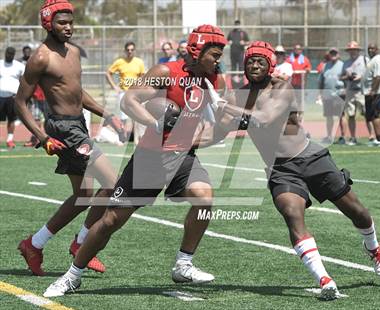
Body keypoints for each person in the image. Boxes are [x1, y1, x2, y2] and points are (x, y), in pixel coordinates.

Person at [43, 24, 228, 297]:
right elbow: (129, 101)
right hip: (151, 158)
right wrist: (155, 123)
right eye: (214, 53)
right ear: (196, 51)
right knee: (110, 221)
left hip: (182, 156)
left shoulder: (215, 80)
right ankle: (72, 275)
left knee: (204, 196)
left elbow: (220, 128)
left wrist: (218, 122)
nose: (218, 60)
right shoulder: (166, 72)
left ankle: (183, 263)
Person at [204, 41, 380, 301]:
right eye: (250, 61)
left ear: (270, 65)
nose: (254, 65)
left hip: (311, 157)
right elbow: (218, 132)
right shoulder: (238, 96)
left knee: (356, 211)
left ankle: (373, 247)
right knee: (292, 214)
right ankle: (325, 280)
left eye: (260, 61)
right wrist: (178, 142)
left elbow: (265, 117)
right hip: (281, 169)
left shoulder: (281, 87)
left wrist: (223, 105)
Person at [15, 0, 123, 276]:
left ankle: (34, 244)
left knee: (84, 195)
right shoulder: (40, 57)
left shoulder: (74, 52)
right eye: (62, 23)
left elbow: (75, 92)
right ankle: (82, 243)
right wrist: (41, 136)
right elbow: (20, 102)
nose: (68, 27)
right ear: (48, 24)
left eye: (71, 22)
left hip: (79, 125)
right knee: (112, 183)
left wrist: (105, 113)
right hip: (63, 130)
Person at [106, 41, 146, 142]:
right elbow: (108, 73)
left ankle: (136, 138)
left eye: (132, 50)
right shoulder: (120, 62)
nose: (130, 52)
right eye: (128, 50)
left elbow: (142, 76)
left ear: (134, 51)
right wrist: (114, 87)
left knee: (137, 116)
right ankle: (122, 137)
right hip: (123, 92)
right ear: (125, 51)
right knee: (123, 116)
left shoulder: (139, 62)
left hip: (136, 93)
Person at [340, 41, 373, 146]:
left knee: (367, 114)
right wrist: (348, 77)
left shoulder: (365, 60)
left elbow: (370, 72)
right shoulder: (346, 63)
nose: (352, 52)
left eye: (354, 50)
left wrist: (360, 77)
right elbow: (341, 77)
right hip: (350, 91)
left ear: (358, 50)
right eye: (350, 50)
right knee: (351, 115)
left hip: (362, 91)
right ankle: (353, 137)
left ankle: (372, 136)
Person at [318, 47, 346, 144]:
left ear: (338, 55)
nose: (333, 55)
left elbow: (347, 79)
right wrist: (320, 93)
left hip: (339, 94)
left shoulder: (343, 65)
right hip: (328, 95)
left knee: (341, 115)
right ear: (329, 55)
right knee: (329, 116)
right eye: (331, 53)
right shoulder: (325, 66)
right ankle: (329, 136)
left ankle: (343, 136)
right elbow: (321, 81)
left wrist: (346, 90)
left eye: (335, 53)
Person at [361, 43, 380, 147]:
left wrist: (373, 90)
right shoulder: (372, 60)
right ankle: (377, 138)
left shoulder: (378, 59)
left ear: (377, 49)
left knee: (376, 115)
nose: (370, 50)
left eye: (373, 48)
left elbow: (378, 77)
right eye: (369, 48)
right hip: (369, 92)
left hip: (375, 92)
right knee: (371, 116)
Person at [0, 47, 25, 148]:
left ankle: (9, 140)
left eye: (11, 54)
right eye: (8, 53)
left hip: (12, 97)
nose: (9, 55)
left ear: (14, 54)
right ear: (5, 53)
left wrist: (21, 95)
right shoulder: (0, 64)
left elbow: (23, 82)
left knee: (11, 119)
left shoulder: (19, 66)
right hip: (0, 96)